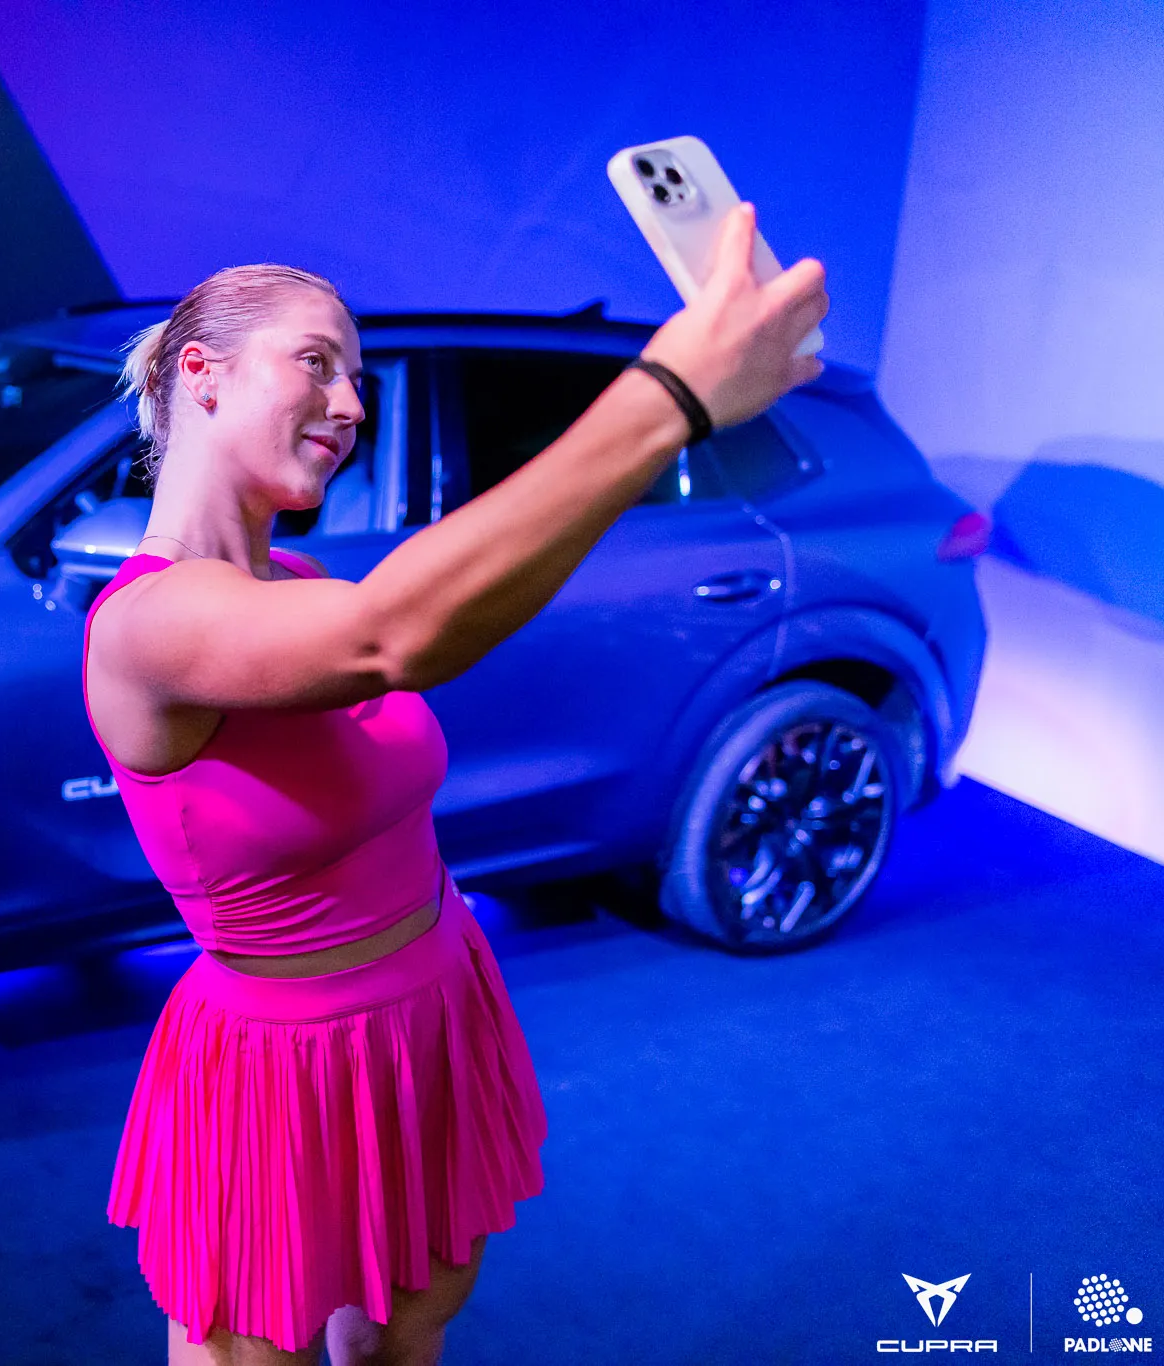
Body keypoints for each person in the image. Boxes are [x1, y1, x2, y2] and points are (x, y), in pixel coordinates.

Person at [82, 203, 826, 1366]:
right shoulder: (146, 625)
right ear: (201, 374)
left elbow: (438, 611)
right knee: (253, 1352)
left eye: (357, 380)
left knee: (415, 1318)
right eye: (316, 364)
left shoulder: (291, 574)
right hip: (284, 1065)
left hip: (429, 1001)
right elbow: (395, 636)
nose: (350, 406)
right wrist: (664, 398)